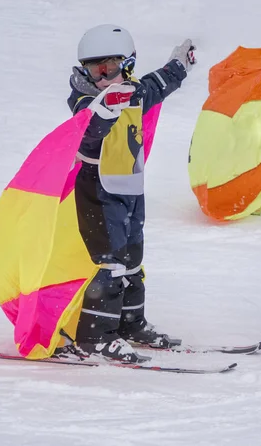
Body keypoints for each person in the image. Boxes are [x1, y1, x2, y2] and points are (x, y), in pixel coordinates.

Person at [66, 24, 196, 362]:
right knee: (108, 263)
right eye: (94, 70)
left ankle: (130, 323)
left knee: (131, 260)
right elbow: (86, 130)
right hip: (96, 187)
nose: (102, 77)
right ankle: (95, 336)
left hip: (130, 187)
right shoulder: (84, 98)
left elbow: (156, 85)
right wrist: (103, 111)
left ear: (127, 65)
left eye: (109, 68)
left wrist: (179, 65)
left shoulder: (133, 91)